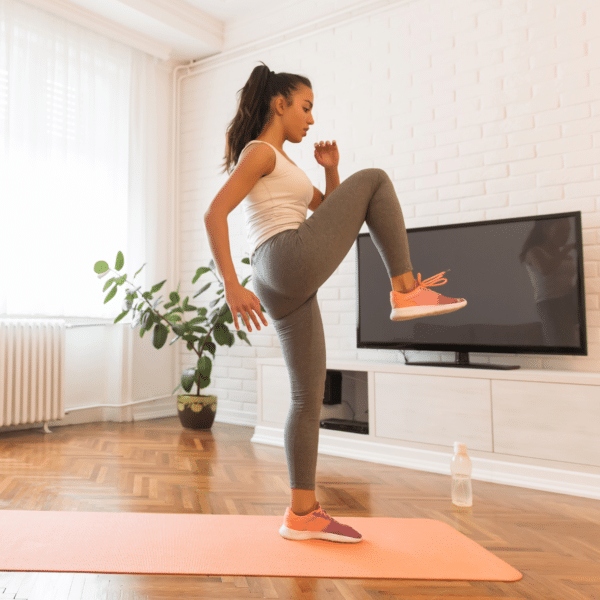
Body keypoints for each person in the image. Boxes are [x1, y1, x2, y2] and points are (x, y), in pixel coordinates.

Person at [204, 62, 466, 544]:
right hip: (281, 258)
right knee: (378, 179)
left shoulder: (284, 164)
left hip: (282, 277)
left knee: (308, 397)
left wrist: (331, 172)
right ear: (278, 104)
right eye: (304, 108)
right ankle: (405, 289)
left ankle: (301, 513)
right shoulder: (260, 152)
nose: (310, 118)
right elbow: (214, 212)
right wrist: (229, 284)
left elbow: (330, 215)